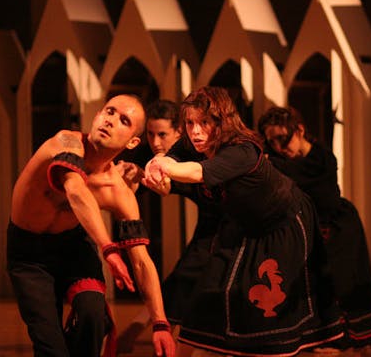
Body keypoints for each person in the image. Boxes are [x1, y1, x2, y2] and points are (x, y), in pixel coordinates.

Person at [143, 86, 345, 356]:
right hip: (243, 225)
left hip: (282, 225)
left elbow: (194, 171)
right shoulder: (192, 143)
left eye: (205, 122)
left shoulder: (242, 150)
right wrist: (158, 163)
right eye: (190, 123)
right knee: (208, 297)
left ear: (222, 121)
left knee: (268, 315)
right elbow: (173, 157)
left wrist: (159, 165)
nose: (195, 131)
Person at [7, 94, 175, 357]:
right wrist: (108, 249)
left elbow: (142, 262)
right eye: (108, 112)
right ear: (96, 116)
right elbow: (75, 189)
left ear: (132, 142)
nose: (110, 121)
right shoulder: (66, 141)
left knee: (92, 315)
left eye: (123, 120)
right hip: (29, 255)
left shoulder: (117, 192)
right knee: (50, 347)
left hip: (73, 247)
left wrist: (160, 323)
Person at [257, 106, 371, 349]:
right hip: (305, 228)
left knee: (341, 280)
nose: (279, 147)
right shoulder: (278, 160)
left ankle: (352, 336)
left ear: (300, 130)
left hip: (338, 226)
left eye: (283, 138)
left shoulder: (322, 157)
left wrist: (273, 164)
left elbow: (318, 190)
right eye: (272, 141)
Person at [118, 99, 223, 352]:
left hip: (238, 220)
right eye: (150, 135)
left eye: (162, 135)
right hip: (211, 220)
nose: (155, 142)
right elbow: (143, 186)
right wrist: (129, 177)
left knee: (212, 281)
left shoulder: (199, 150)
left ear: (179, 132)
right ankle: (146, 330)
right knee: (185, 276)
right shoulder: (153, 154)